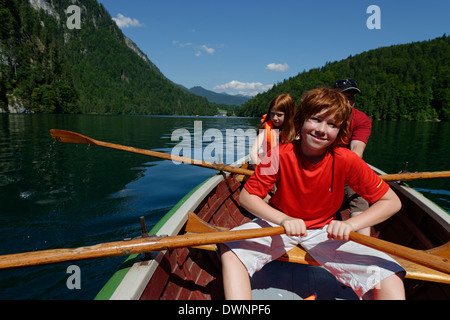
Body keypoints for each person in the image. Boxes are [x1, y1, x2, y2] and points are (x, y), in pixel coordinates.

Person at [220, 87, 405, 300]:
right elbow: (247, 197)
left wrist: (349, 224)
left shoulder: (346, 159)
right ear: (301, 120)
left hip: (325, 231)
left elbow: (391, 202)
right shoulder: (277, 154)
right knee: (231, 251)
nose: (322, 130)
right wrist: (284, 219)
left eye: (332, 124)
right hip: (280, 224)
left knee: (390, 274)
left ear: (340, 131)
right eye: (316, 119)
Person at [332, 79, 372, 235]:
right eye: (345, 96)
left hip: (347, 166)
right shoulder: (321, 116)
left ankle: (364, 246)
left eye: (352, 96)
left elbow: (357, 150)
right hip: (319, 163)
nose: (349, 101)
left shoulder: (362, 119)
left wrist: (342, 173)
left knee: (360, 197)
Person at [249, 94, 296, 165]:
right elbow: (253, 153)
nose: (274, 118)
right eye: (272, 114)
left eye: (279, 115)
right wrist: (263, 168)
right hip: (269, 165)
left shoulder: (297, 131)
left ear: (289, 114)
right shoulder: (266, 128)